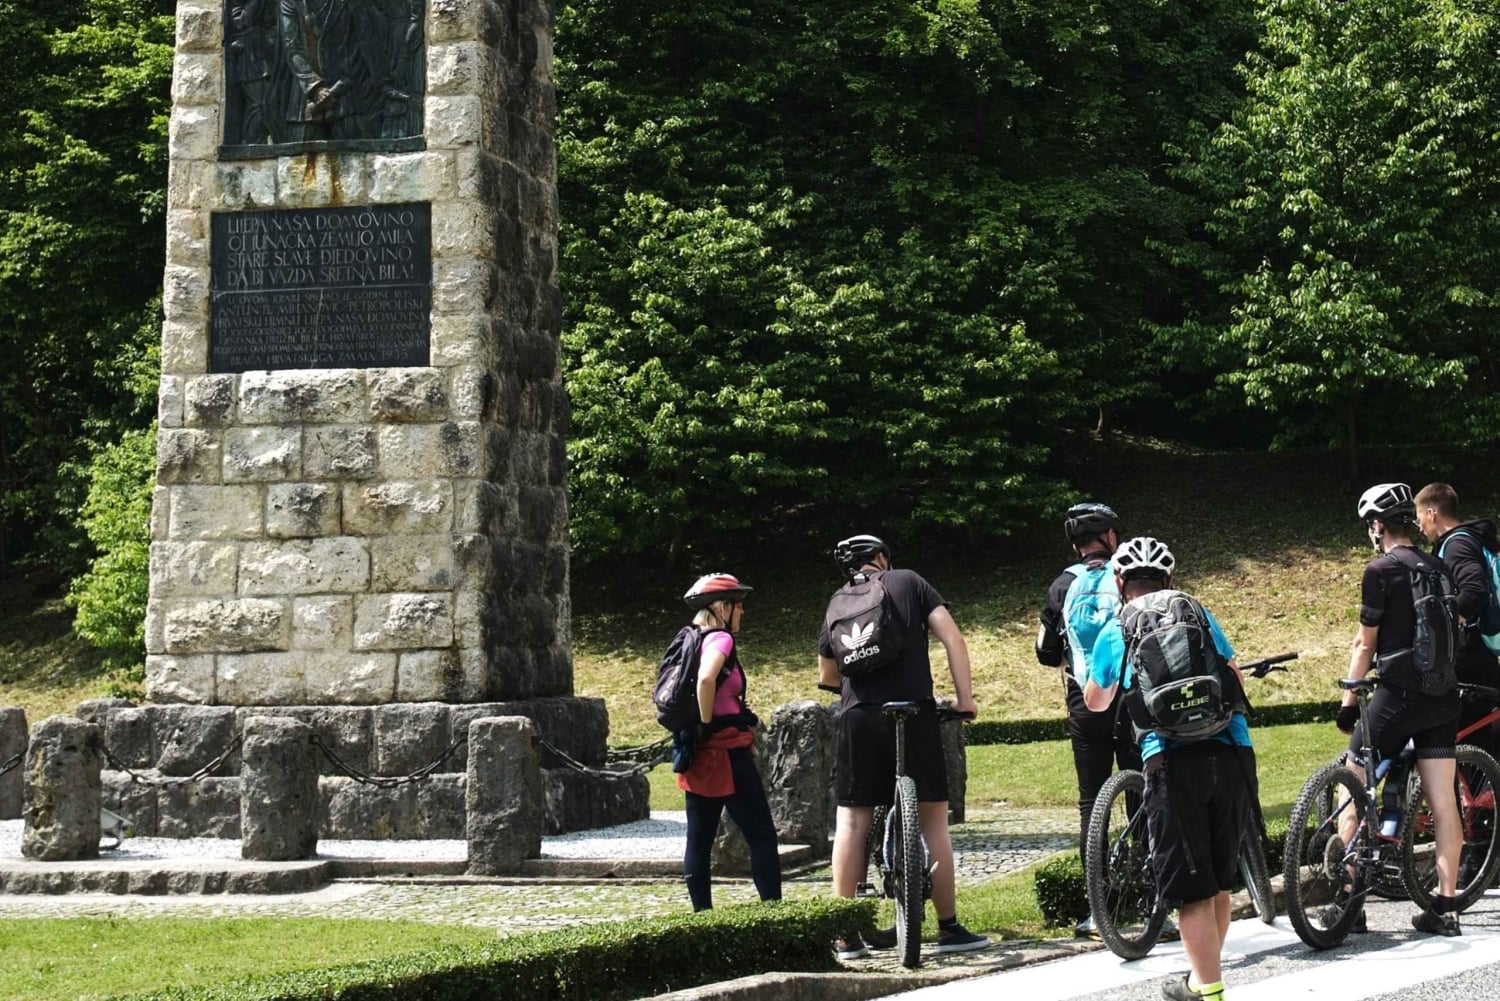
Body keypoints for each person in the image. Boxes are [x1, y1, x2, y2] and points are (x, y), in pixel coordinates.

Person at [1082, 537, 1254, 1001]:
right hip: (1232, 750)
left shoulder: (1118, 628)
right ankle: (1201, 982)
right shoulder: (1198, 612)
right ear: (1170, 580)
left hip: (1172, 760)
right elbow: (1234, 677)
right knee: (1218, 881)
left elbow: (1096, 703)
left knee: (1190, 889)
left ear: (1120, 582)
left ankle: (1210, 991)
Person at [817, 534, 989, 959]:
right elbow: (953, 638)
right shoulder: (910, 581)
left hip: (858, 716)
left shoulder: (838, 600)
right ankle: (948, 928)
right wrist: (964, 699)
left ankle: (845, 937)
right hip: (914, 711)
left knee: (853, 822)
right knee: (933, 821)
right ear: (881, 559)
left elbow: (828, 676)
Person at [1340, 483, 1463, 936]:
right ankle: (1445, 907)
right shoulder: (1439, 565)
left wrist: (1348, 703)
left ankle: (1353, 902)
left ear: (1376, 526)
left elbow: (1364, 643)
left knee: (1351, 782)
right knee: (1444, 801)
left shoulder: (1380, 570)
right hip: (1442, 698)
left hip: (1398, 696)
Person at [1036, 501, 1143, 936]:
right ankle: (1152, 899)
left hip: (1086, 701)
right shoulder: (1132, 573)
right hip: (1134, 697)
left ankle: (1097, 909)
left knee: (1091, 802)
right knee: (1143, 791)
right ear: (1111, 537)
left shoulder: (1062, 585)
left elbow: (1045, 653)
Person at [675, 573, 782, 911]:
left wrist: (705, 725)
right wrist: (709, 722)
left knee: (699, 842)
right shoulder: (720, 639)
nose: (743, 612)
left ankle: (702, 919)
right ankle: (773, 914)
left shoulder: (691, 638)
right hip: (727, 753)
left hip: (697, 753)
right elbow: (707, 679)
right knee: (762, 836)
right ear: (721, 608)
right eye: (738, 605)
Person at [1416, 482, 1500, 756]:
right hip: (1481, 651)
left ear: (1431, 514)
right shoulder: (1468, 540)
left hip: (1471, 654)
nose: (1419, 527)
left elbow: (1474, 591)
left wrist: (1444, 628)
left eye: (1419, 519)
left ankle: (1480, 795)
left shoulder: (1456, 545)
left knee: (1472, 736)